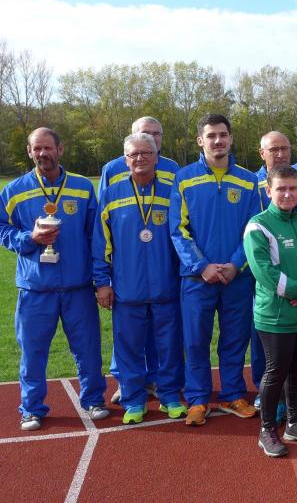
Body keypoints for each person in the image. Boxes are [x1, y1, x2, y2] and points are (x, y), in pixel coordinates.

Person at [0, 127, 108, 430]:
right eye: (37, 148)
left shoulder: (82, 187)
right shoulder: (14, 190)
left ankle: (93, 399)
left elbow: (96, 236)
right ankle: (31, 408)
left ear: (60, 149)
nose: (42, 154)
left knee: (87, 348)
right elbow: (2, 228)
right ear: (29, 151)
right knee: (33, 351)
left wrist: (100, 279)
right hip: (35, 288)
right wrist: (29, 238)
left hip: (77, 286)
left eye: (48, 147)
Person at [170, 113, 261, 426]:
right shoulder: (184, 178)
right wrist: (202, 266)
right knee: (196, 341)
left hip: (237, 277)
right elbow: (178, 230)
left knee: (235, 339)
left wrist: (235, 264)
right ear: (201, 141)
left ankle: (232, 394)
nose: (218, 140)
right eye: (211, 136)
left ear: (231, 138)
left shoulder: (248, 180)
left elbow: (253, 229)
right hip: (198, 278)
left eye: (223, 134)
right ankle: (198, 399)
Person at [93, 133, 184, 424]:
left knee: (169, 347)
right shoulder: (111, 194)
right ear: (125, 160)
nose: (140, 159)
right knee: (128, 348)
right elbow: (100, 243)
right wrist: (102, 283)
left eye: (146, 153)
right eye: (134, 154)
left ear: (157, 157)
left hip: (166, 287)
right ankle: (133, 400)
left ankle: (170, 396)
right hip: (127, 289)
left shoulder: (172, 191)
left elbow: (183, 237)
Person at [243, 165, 297, 458]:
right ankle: (267, 429)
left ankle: (295, 424)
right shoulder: (258, 226)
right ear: (269, 191)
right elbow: (263, 270)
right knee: (276, 371)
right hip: (276, 316)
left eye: (293, 188)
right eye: (281, 189)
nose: (287, 194)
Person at [252, 130, 293, 409]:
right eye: (273, 149)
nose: (279, 154)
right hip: (260, 271)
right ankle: (263, 389)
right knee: (263, 337)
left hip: (294, 269)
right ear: (262, 153)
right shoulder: (249, 183)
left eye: (284, 148)